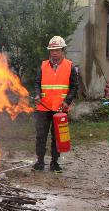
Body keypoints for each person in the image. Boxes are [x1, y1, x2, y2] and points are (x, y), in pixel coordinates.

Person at [33, 35, 79, 173]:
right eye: (52, 50)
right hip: (43, 107)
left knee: (57, 137)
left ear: (63, 50)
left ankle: (54, 163)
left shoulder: (69, 66)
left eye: (57, 50)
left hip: (60, 108)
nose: (54, 53)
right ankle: (40, 162)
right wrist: (37, 94)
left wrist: (67, 101)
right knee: (41, 135)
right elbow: (37, 83)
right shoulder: (43, 65)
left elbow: (74, 86)